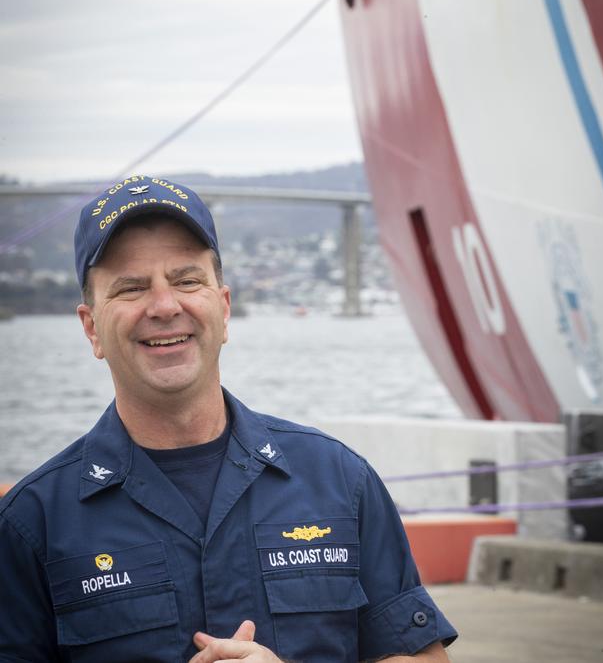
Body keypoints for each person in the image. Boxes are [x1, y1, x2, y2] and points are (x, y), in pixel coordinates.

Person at [0, 175, 458, 662]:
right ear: (92, 328)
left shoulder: (341, 482)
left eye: (187, 281)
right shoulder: (34, 524)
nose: (164, 306)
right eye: (132, 288)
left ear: (223, 308)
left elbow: (422, 657)